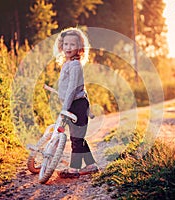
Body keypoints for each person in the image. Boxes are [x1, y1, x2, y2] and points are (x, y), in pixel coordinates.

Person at [53, 27, 98, 178]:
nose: (68, 47)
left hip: (77, 105)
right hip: (74, 104)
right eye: (65, 44)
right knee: (78, 136)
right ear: (61, 45)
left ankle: (74, 169)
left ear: (79, 47)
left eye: (72, 44)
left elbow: (72, 89)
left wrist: (65, 109)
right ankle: (91, 165)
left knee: (76, 138)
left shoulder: (75, 65)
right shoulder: (68, 63)